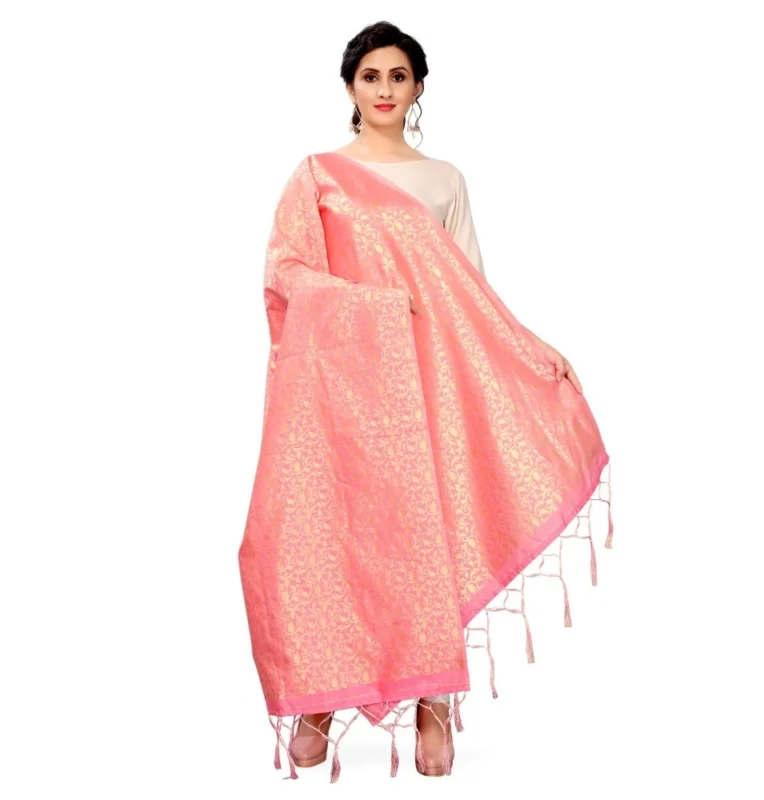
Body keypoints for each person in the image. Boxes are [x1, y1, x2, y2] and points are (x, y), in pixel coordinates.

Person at [238, 20, 613, 783]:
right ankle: (321, 701)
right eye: (370, 76)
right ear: (350, 87)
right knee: (335, 538)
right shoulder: (317, 176)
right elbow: (287, 274)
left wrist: (531, 346)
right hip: (344, 399)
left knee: (430, 536)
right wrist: (372, 306)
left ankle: (434, 703)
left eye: (398, 76)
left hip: (430, 385)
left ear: (418, 88)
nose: (384, 89)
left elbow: (471, 291)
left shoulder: (445, 180)